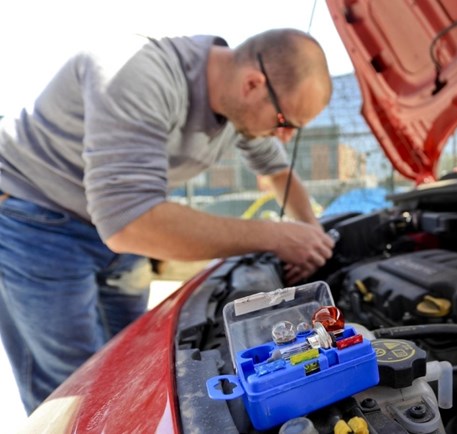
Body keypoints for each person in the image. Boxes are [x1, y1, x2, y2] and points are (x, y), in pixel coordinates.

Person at [0, 28, 335, 413]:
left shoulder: (237, 106)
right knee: (72, 393)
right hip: (35, 218)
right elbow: (128, 223)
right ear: (253, 83)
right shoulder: (136, 74)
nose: (284, 137)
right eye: (283, 121)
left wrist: (311, 234)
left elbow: (278, 171)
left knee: (130, 370)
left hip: (111, 228)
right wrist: (276, 236)